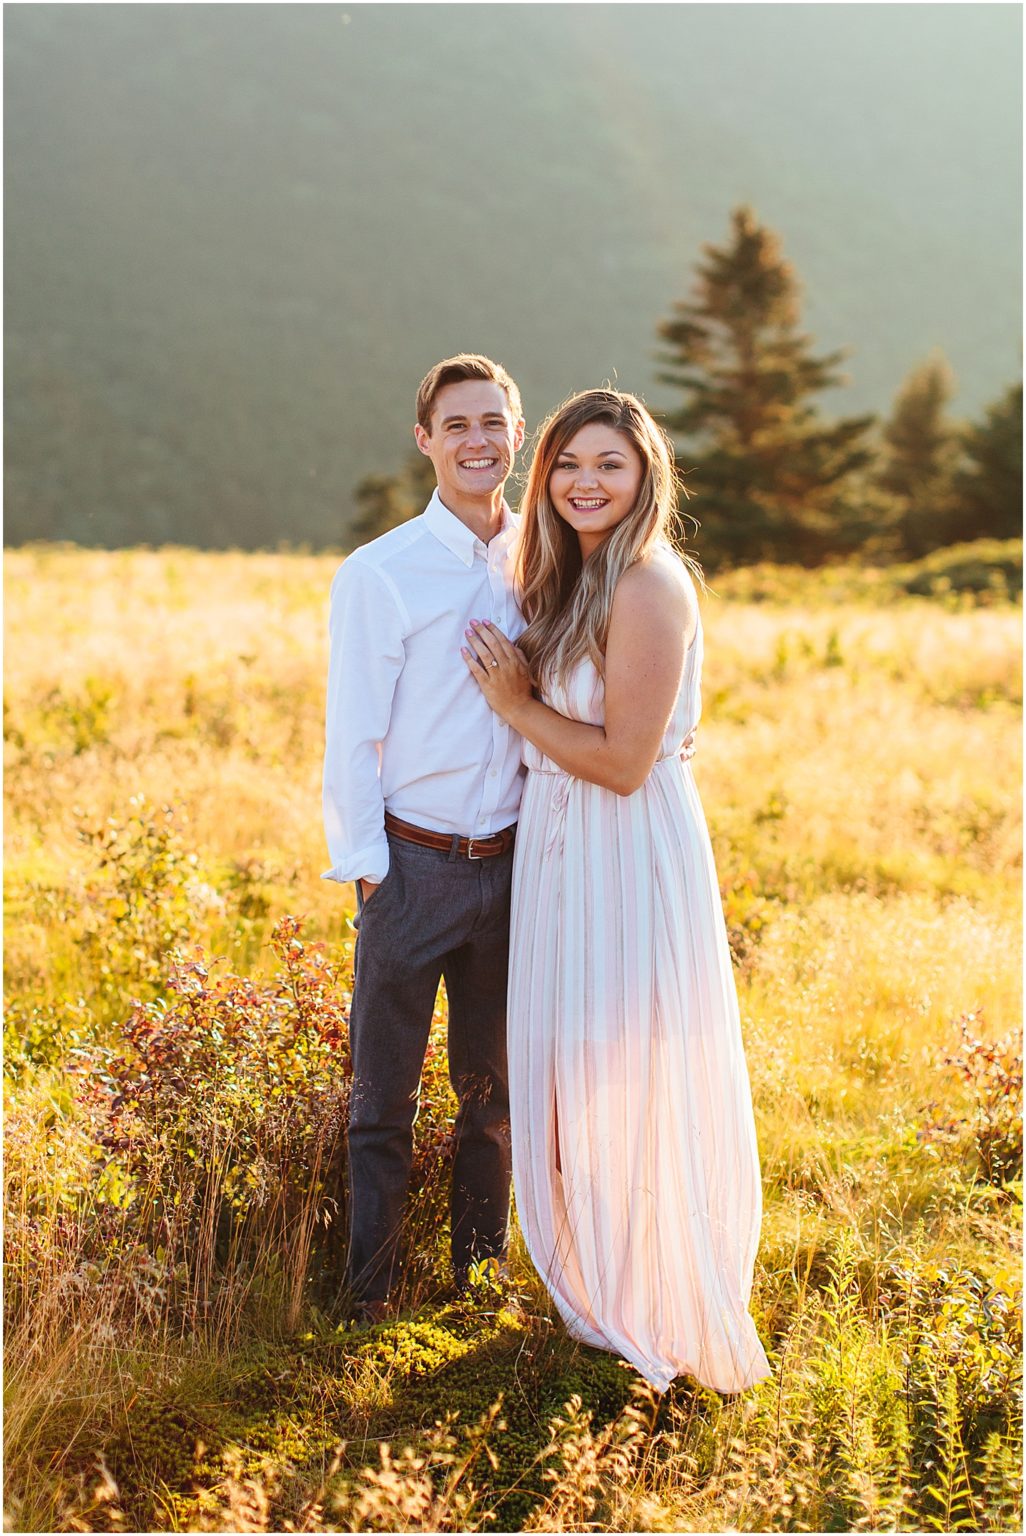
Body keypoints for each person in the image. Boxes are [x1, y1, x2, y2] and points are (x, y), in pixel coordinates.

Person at [462, 388, 771, 1394]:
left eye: (610, 464)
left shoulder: (646, 584)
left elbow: (627, 760)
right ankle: (602, 1281)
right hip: (563, 849)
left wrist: (513, 704)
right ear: (543, 475)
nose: (585, 481)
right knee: (578, 1068)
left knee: (630, 1067)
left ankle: (661, 1295)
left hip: (624, 842)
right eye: (567, 464)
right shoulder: (575, 576)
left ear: (646, 479)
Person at [322, 353, 526, 1321]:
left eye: (494, 421)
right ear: (426, 441)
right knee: (383, 1108)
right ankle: (368, 1300)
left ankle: (473, 1288)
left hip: (519, 866)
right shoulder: (382, 573)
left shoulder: (546, 558)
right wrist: (369, 874)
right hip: (412, 863)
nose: (477, 440)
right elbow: (351, 731)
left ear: (518, 433)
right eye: (458, 426)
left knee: (491, 1101)